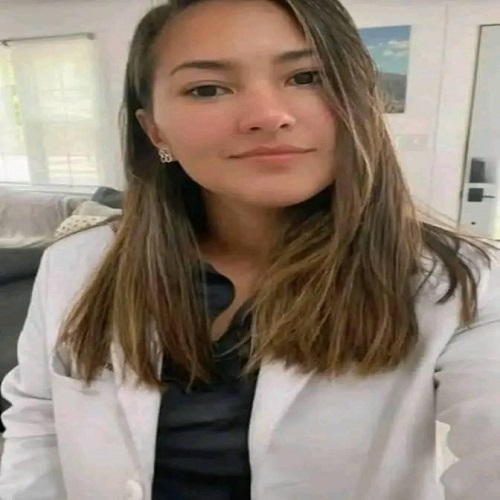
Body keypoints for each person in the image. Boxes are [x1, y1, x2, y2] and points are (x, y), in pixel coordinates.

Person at [0, 0, 499, 498]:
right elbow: (38, 425)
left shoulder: (461, 281)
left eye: (306, 77)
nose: (268, 116)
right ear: (155, 131)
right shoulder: (77, 263)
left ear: (362, 98)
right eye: (207, 88)